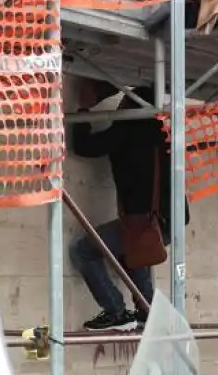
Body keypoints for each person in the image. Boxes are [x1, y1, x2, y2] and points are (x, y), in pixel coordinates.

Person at [69, 81, 190, 331]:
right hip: (172, 217)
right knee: (133, 253)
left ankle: (116, 311)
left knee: (84, 251)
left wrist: (83, 109)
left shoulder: (129, 129)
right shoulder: (163, 131)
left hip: (145, 218)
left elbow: (85, 146)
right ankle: (148, 312)